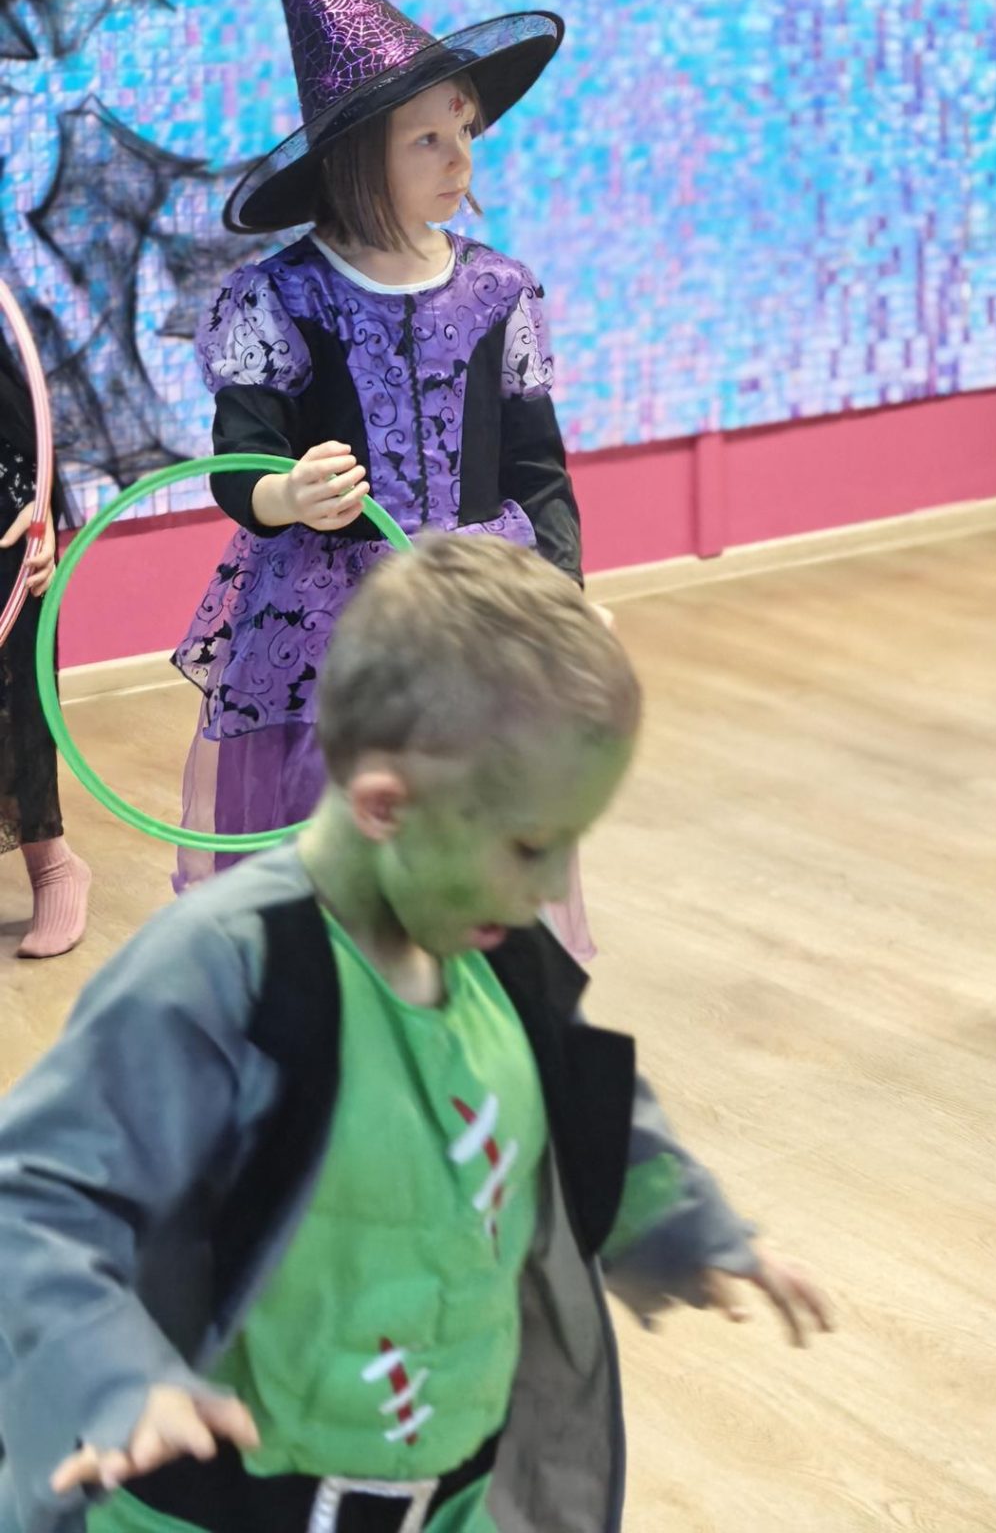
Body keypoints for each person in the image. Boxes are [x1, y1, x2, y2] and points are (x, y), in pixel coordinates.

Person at [0, 534, 829, 1533]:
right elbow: (37, 1198)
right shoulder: (228, 969)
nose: (550, 887)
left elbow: (587, 1112)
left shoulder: (502, 955)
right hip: (218, 1504)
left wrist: (694, 1224)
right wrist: (113, 1375)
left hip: (448, 1497)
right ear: (387, 806)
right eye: (529, 845)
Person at [172, 0, 587, 950]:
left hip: (473, 609)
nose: (461, 160)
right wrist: (286, 492)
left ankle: (466, 1004)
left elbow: (537, 469)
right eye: (428, 141)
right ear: (359, 156)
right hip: (332, 628)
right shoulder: (281, 296)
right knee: (340, 860)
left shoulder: (499, 289)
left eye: (465, 133)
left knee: (469, 844)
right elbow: (238, 462)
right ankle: (338, 1009)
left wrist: (565, 597)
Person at [1, 342, 84, 961]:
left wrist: (40, 509)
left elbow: (29, 420)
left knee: (17, 696)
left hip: (7, 521)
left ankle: (51, 862)